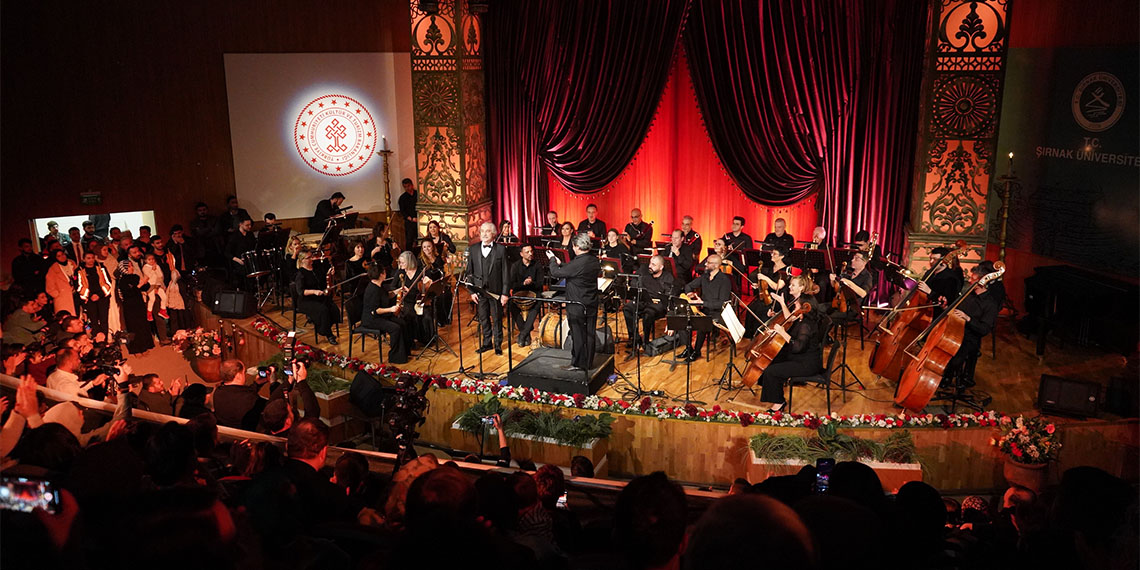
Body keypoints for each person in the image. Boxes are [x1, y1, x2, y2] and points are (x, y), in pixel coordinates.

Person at [759, 274, 826, 411]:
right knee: (771, 360)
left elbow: (797, 347)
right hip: (801, 357)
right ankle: (772, 390)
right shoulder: (801, 318)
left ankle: (779, 403)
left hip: (807, 363)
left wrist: (782, 333)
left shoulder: (806, 325)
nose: (794, 306)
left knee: (772, 371)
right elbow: (790, 322)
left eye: (796, 305)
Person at [942, 261, 1003, 387]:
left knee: (956, 357)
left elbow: (984, 329)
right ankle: (946, 377)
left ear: (983, 282)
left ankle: (951, 376)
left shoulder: (990, 304)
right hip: (955, 332)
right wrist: (946, 307)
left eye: (972, 278)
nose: (969, 281)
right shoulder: (968, 295)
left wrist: (968, 319)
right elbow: (955, 311)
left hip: (970, 339)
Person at [547, 233, 601, 371]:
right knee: (589, 333)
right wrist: (562, 264)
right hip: (591, 302)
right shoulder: (593, 260)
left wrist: (552, 260)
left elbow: (555, 273)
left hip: (577, 304)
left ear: (577, 247)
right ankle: (588, 363)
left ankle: (577, 364)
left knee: (577, 334)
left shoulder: (578, 262)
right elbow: (575, 269)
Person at [675, 254, 733, 362]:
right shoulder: (704, 277)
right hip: (703, 309)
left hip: (717, 312)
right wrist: (689, 293)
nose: (705, 264)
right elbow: (688, 286)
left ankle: (697, 352)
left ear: (716, 265)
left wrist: (703, 302)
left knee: (702, 324)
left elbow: (722, 303)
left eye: (708, 263)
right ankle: (689, 348)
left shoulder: (724, 280)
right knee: (682, 319)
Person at [465, 222, 510, 354]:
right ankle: (486, 343)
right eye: (482, 231)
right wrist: (471, 291)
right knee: (483, 318)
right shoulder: (473, 249)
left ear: (494, 234)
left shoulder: (501, 249)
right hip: (479, 291)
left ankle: (497, 344)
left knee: (497, 318)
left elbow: (505, 273)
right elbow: (469, 272)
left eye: (488, 231)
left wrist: (505, 293)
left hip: (496, 292)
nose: (484, 234)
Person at [623, 255, 674, 360]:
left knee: (648, 314)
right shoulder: (644, 271)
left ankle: (646, 342)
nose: (650, 266)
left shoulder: (668, 277)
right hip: (643, 299)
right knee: (627, 308)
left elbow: (667, 297)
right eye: (650, 263)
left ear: (661, 267)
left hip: (657, 303)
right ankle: (635, 338)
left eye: (654, 265)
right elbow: (634, 281)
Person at [361, 263, 410, 364]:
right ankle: (395, 357)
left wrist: (398, 291)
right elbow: (375, 310)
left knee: (402, 322)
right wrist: (391, 309)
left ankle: (405, 352)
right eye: (384, 272)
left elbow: (386, 296)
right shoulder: (372, 290)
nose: (385, 273)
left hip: (380, 316)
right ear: (381, 274)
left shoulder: (379, 285)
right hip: (372, 319)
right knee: (395, 328)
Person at [293, 250, 340, 344]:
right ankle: (327, 333)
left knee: (333, 308)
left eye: (312, 257)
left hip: (319, 297)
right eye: (308, 258)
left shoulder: (316, 269)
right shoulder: (300, 274)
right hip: (306, 300)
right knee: (323, 310)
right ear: (302, 260)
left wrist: (330, 274)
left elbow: (324, 280)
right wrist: (314, 291)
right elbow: (301, 291)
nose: (312, 259)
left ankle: (324, 328)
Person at [744, 245, 791, 337]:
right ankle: (750, 335)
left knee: (761, 310)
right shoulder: (770, 268)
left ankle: (759, 335)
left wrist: (765, 278)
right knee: (751, 307)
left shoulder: (785, 271)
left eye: (775, 254)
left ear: (782, 256)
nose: (772, 255)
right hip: (767, 296)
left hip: (777, 300)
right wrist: (758, 285)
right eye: (772, 253)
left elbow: (777, 287)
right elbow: (766, 285)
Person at [210, 359, 272, 430]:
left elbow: (239, 393)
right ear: (238, 375)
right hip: (249, 436)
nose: (245, 375)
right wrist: (273, 383)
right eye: (243, 372)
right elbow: (273, 408)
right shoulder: (250, 399)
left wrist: (257, 384)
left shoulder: (218, 392)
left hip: (229, 435)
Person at [508, 244, 544, 347]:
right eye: (527, 252)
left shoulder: (537, 265)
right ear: (521, 254)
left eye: (531, 251)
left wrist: (531, 282)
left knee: (536, 304)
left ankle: (523, 335)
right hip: (520, 293)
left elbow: (540, 283)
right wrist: (523, 284)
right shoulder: (515, 266)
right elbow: (512, 284)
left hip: (534, 292)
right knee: (511, 305)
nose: (530, 254)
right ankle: (526, 334)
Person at [394, 251, 431, 346]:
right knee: (409, 313)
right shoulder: (400, 273)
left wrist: (428, 281)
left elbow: (428, 286)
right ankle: (411, 340)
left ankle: (425, 339)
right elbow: (392, 287)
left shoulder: (421, 272)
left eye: (403, 262)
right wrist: (400, 289)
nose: (400, 264)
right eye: (400, 262)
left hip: (419, 300)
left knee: (426, 314)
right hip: (407, 301)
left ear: (410, 262)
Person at [828, 251, 873, 322]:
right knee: (818, 309)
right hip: (839, 302)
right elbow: (836, 286)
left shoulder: (867, 277)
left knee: (829, 318)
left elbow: (863, 293)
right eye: (853, 258)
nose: (852, 260)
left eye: (856, 259)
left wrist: (849, 283)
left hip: (852, 308)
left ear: (864, 262)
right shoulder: (848, 271)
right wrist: (832, 280)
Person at [76, 252, 113, 335]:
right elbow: (79, 286)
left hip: (102, 298)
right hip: (89, 300)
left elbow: (108, 282)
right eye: (88, 258)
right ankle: (96, 340)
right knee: (93, 321)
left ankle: (104, 341)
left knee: (104, 321)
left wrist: (99, 295)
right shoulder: (79, 270)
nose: (91, 260)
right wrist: (90, 295)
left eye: (92, 258)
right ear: (84, 259)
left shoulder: (101, 268)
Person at [917, 246, 965, 312]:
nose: (931, 261)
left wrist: (929, 292)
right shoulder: (929, 273)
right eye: (930, 258)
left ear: (944, 261)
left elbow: (949, 301)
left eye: (935, 259)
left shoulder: (951, 278)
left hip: (937, 314)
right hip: (923, 309)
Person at [419, 236, 452, 325]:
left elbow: (443, 272)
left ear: (433, 247)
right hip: (427, 285)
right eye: (424, 247)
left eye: (428, 246)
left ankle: (446, 318)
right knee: (438, 296)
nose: (426, 249)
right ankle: (438, 319)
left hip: (438, 283)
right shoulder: (421, 261)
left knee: (448, 294)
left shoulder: (438, 258)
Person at [224, 217, 256, 288]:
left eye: (250, 225)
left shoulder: (250, 235)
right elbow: (227, 252)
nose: (249, 227)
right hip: (239, 262)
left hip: (250, 260)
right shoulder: (234, 236)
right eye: (247, 225)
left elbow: (254, 247)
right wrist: (237, 260)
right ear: (240, 224)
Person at [45, 249, 78, 317]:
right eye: (59, 256)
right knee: (67, 317)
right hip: (63, 297)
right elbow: (49, 286)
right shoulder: (53, 269)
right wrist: (57, 294)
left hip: (76, 294)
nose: (62, 257)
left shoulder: (72, 263)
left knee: (78, 314)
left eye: (63, 254)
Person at [141, 252, 171, 322]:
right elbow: (147, 276)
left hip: (158, 285)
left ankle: (162, 310)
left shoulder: (157, 266)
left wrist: (156, 270)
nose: (151, 261)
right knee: (152, 298)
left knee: (164, 297)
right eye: (149, 259)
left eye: (152, 259)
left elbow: (160, 276)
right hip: (150, 285)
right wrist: (152, 270)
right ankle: (149, 312)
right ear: (146, 261)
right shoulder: (145, 267)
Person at [398, 178, 419, 250]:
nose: (407, 188)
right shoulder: (402, 198)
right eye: (405, 187)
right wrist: (411, 219)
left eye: (408, 186)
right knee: (409, 240)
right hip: (409, 222)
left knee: (420, 238)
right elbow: (403, 212)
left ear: (412, 185)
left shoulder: (418, 194)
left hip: (420, 220)